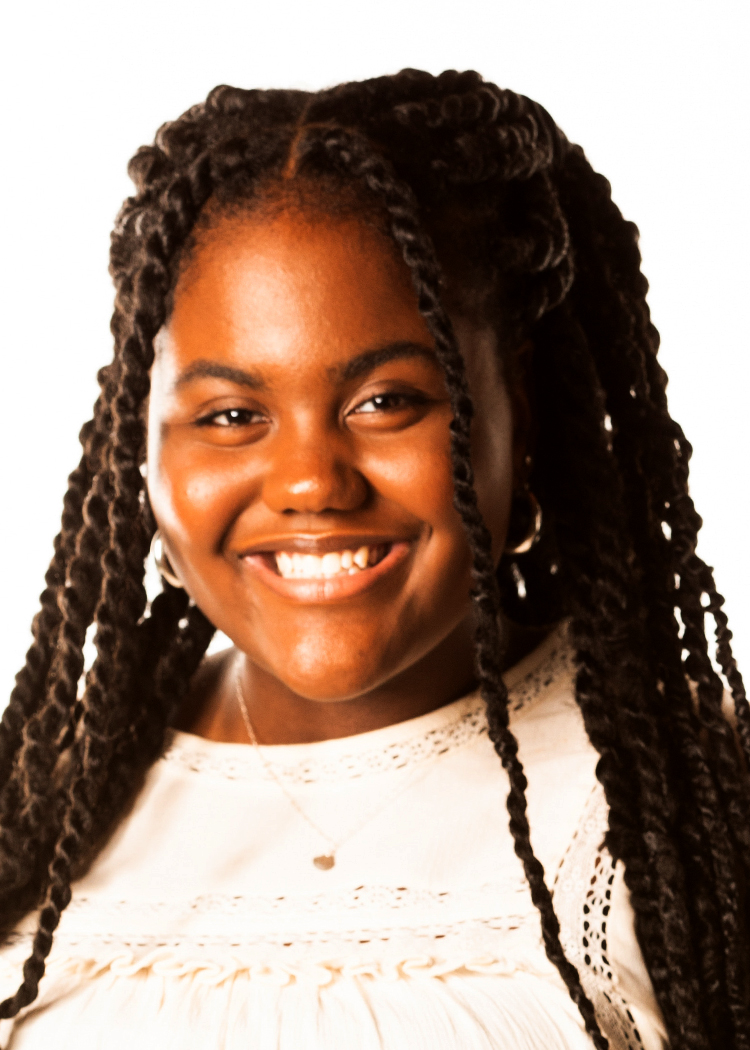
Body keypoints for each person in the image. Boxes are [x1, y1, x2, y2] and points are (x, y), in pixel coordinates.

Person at [0, 67, 746, 1050]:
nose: (311, 481)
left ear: (521, 419)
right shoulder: (37, 806)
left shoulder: (690, 815)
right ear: (140, 454)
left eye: (386, 401)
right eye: (231, 414)